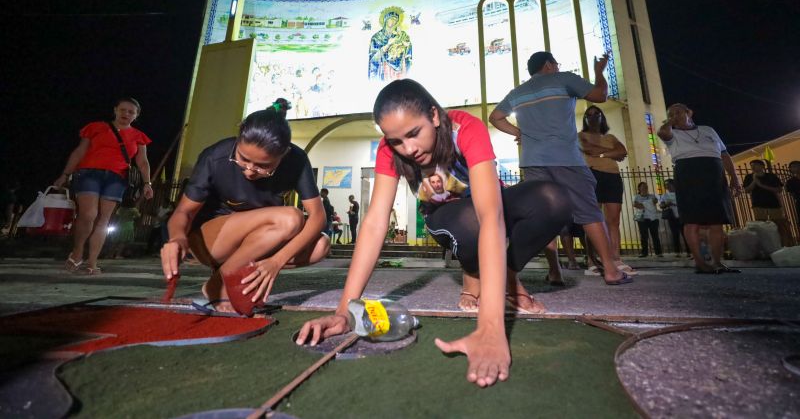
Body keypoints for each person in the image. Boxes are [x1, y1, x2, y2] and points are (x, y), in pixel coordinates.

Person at [296, 79, 572, 387]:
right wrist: (344, 311)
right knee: (470, 222)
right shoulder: (390, 151)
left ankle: (504, 274)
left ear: (434, 116)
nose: (409, 149)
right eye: (397, 141)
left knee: (555, 199)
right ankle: (473, 270)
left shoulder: (465, 128)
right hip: (448, 217)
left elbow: (491, 215)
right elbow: (374, 224)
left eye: (414, 133)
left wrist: (491, 328)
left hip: (486, 208)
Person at [160, 99, 330, 315]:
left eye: (263, 166)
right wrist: (176, 238)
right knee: (290, 218)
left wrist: (276, 262)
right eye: (243, 159)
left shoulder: (297, 160)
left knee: (320, 246)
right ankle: (220, 281)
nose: (250, 171)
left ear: (284, 154)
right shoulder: (215, 156)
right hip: (211, 242)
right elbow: (183, 212)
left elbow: (318, 217)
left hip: (260, 241)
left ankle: (232, 275)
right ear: (239, 136)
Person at [489, 51, 632, 286]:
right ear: (548, 65)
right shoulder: (564, 78)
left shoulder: (519, 92)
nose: (557, 67)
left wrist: (519, 133)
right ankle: (611, 270)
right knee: (589, 211)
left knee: (545, 216)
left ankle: (555, 271)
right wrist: (598, 72)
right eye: (555, 64)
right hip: (566, 158)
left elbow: (495, 117)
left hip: (533, 161)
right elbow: (601, 95)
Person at [54, 97, 154, 275]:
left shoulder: (139, 136)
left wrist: (147, 183)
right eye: (123, 110)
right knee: (89, 214)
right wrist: (65, 174)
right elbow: (80, 151)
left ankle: (92, 262)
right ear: (115, 110)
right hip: (89, 172)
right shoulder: (96, 127)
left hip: (116, 178)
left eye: (131, 112)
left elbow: (143, 162)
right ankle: (77, 251)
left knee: (103, 220)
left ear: (136, 115)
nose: (126, 114)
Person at [657, 103, 742, 273]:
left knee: (716, 220)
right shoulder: (672, 133)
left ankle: (717, 262)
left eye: (679, 112)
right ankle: (700, 263)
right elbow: (662, 133)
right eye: (671, 113)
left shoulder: (708, 130)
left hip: (714, 174)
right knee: (692, 220)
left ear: (689, 112)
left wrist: (734, 176)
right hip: (688, 174)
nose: (675, 115)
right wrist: (670, 121)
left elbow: (724, 154)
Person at [578, 105, 634, 274]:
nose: (593, 117)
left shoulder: (610, 136)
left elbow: (623, 151)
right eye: (589, 115)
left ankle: (616, 258)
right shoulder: (580, 136)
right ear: (585, 119)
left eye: (597, 114)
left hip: (612, 177)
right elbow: (589, 149)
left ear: (602, 117)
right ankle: (592, 260)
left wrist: (601, 154)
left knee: (614, 220)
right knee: (593, 219)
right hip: (591, 175)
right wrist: (611, 152)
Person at [743, 160, 794, 247]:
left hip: (774, 204)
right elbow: (747, 190)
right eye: (751, 165)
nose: (753, 167)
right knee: (761, 227)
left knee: (779, 225)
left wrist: (762, 185)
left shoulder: (771, 176)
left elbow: (779, 189)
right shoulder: (749, 177)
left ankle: (785, 245)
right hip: (758, 205)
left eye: (756, 165)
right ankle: (766, 248)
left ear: (762, 166)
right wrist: (754, 181)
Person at [368, 7, 413, 80]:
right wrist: (388, 45)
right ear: (385, 20)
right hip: (384, 69)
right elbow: (373, 59)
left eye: (396, 20)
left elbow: (408, 49)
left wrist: (404, 45)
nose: (393, 21)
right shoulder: (376, 38)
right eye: (391, 19)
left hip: (400, 71)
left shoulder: (401, 35)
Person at [633, 182, 662, 257]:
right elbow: (637, 205)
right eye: (643, 186)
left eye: (646, 186)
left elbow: (655, 201)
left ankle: (658, 252)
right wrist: (649, 203)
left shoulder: (652, 195)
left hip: (653, 218)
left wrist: (643, 204)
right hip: (642, 218)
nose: (645, 188)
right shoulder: (636, 197)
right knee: (644, 236)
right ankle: (644, 253)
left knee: (655, 235)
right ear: (639, 188)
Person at [659, 179, 687, 254]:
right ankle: (677, 252)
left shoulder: (680, 193)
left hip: (682, 216)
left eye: (669, 185)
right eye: (666, 185)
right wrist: (667, 204)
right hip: (672, 217)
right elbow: (661, 205)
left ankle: (689, 251)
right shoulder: (665, 196)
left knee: (685, 234)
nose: (667, 187)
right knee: (675, 234)